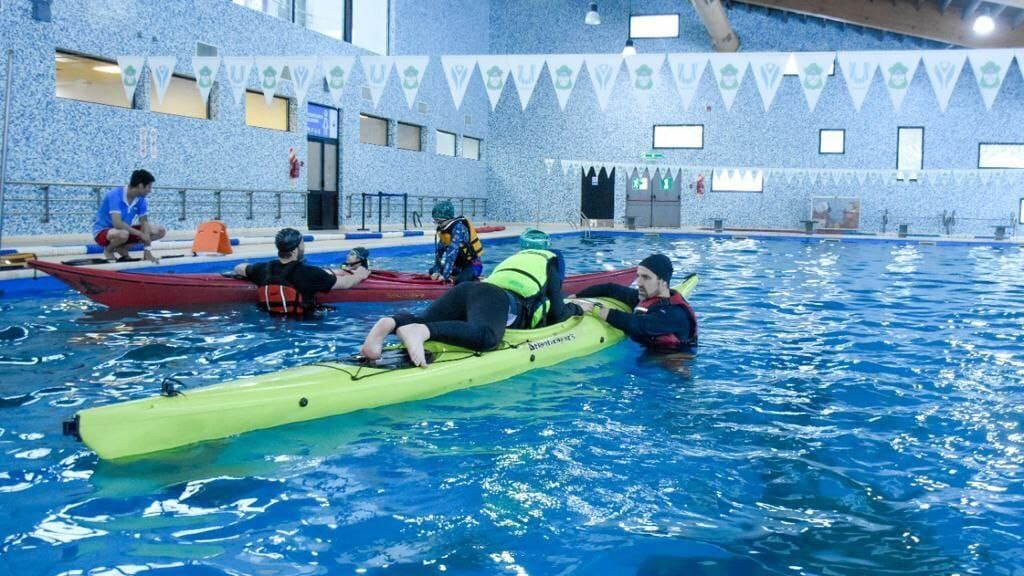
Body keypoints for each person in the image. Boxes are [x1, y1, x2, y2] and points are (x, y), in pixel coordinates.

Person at [360, 249, 581, 367]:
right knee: (487, 337)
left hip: (469, 290)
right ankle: (420, 331)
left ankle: (392, 322)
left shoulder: (522, 259)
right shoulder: (551, 266)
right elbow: (559, 314)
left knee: (425, 318)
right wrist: (576, 309)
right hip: (495, 298)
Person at [570, 254, 697, 352]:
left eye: (646, 277)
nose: (639, 282)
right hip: (646, 356)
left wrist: (594, 309)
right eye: (638, 276)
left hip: (672, 363)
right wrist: (575, 296)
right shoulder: (646, 299)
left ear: (663, 282)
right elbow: (610, 289)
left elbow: (637, 324)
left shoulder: (675, 314)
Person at [231, 228, 370, 317]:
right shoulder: (310, 274)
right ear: (295, 250)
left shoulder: (262, 269)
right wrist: (360, 274)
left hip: (271, 319)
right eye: (302, 244)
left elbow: (239, 268)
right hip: (306, 323)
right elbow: (345, 283)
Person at [92, 169, 167, 263]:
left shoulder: (141, 199)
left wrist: (147, 250)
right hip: (103, 232)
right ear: (140, 186)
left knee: (159, 230)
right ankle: (109, 250)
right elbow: (117, 224)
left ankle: (122, 248)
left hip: (123, 232)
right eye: (148, 187)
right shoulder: (114, 195)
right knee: (123, 234)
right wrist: (140, 234)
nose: (150, 190)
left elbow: (144, 222)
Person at [429, 200, 483, 284]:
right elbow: (439, 254)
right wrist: (437, 271)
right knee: (431, 271)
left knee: (460, 281)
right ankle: (456, 274)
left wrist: (445, 276)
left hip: (472, 265)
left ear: (447, 219)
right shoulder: (444, 230)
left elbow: (451, 254)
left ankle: (473, 279)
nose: (438, 224)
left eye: (439, 221)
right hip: (457, 266)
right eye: (436, 221)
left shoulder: (458, 228)